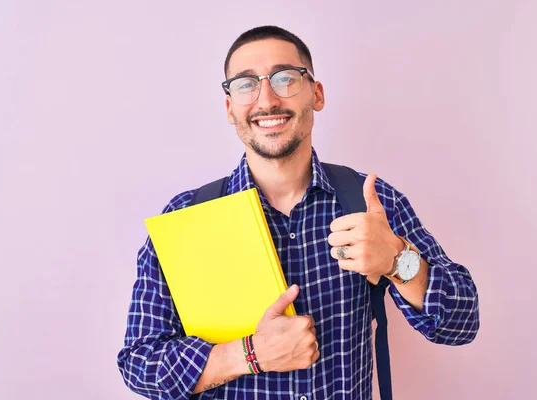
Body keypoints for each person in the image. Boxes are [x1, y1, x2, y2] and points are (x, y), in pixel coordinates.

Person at [117, 25, 479, 400]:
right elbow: (140, 364)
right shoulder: (187, 218)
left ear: (316, 94)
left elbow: (462, 324)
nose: (266, 99)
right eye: (245, 84)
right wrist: (248, 355)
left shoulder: (371, 202)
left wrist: (398, 260)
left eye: (285, 78)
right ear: (230, 108)